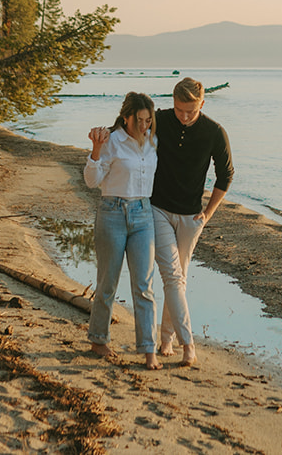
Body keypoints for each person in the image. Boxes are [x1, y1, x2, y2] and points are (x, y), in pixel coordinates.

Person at [150, 76, 234, 367]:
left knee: (179, 279)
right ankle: (188, 345)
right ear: (172, 103)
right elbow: (128, 131)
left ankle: (166, 339)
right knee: (173, 276)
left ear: (202, 103)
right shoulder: (159, 119)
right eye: (179, 110)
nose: (184, 116)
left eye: (191, 111)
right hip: (157, 209)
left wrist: (207, 214)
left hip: (191, 216)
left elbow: (226, 176)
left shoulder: (214, 132)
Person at [84, 91, 161, 369]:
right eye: (138, 120)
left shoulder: (152, 140)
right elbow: (92, 181)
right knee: (108, 283)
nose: (143, 126)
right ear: (126, 117)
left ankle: (149, 349)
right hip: (112, 213)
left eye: (148, 120)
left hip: (143, 214)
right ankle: (98, 340)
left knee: (144, 285)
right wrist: (95, 148)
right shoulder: (111, 141)